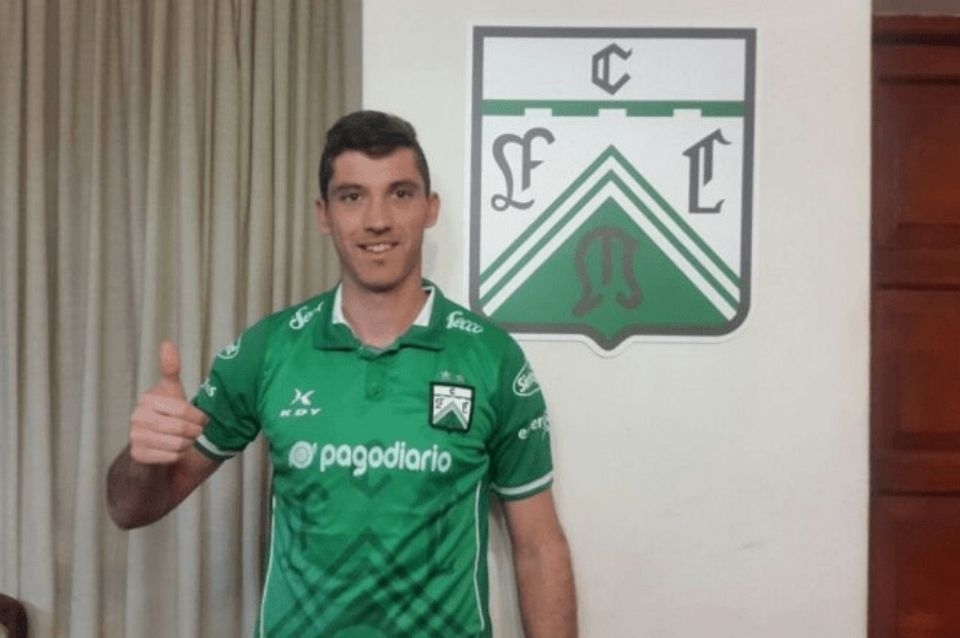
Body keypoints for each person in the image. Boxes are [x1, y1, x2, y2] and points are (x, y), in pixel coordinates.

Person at [106, 110, 577, 637]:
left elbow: (539, 547)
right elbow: (130, 510)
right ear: (323, 214)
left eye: (400, 193)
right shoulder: (269, 349)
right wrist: (145, 458)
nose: (377, 220)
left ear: (430, 208)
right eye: (353, 197)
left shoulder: (491, 358)